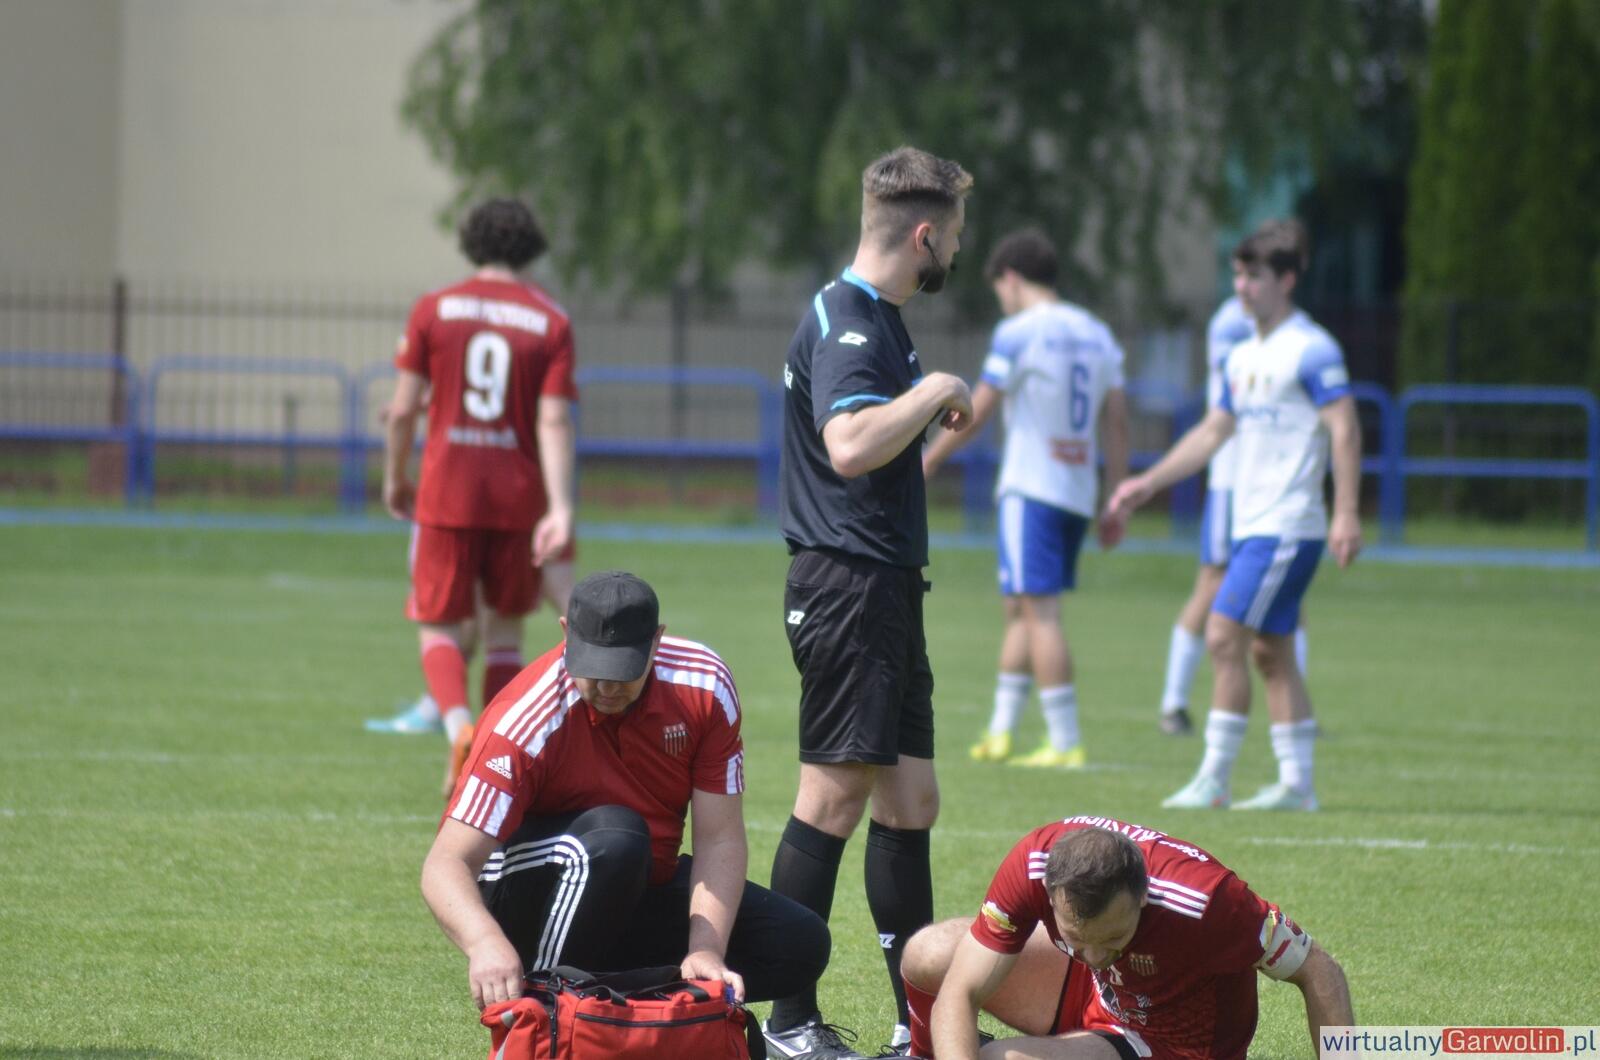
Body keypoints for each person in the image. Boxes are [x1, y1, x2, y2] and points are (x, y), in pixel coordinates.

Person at [769, 145, 976, 1059]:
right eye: (955, 236)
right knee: (831, 800)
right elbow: (849, 445)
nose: (957, 251)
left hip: (885, 586)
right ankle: (788, 1022)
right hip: (848, 588)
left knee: (910, 800)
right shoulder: (849, 320)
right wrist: (935, 390)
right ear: (924, 235)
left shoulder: (879, 318)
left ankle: (916, 1027)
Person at [421, 570, 831, 1016]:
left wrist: (706, 949)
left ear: (656, 641)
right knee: (618, 839)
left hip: (637, 883)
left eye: (623, 671)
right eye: (593, 670)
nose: (607, 688)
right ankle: (547, 1009)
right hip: (530, 894)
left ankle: (629, 1015)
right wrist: (485, 942)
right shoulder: (525, 719)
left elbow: (719, 838)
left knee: (797, 943)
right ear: (566, 633)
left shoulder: (705, 687)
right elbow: (447, 863)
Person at [1105, 219, 1361, 812]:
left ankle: (1214, 779)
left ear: (1287, 280)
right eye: (1238, 276)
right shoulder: (1243, 354)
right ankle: (1297, 786)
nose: (1242, 287)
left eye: (1255, 277)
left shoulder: (1312, 348)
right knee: (1271, 651)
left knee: (1223, 636)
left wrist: (1346, 511)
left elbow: (1345, 428)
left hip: (1286, 523)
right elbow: (1213, 431)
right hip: (1254, 523)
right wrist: (1148, 481)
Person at [380, 198, 578, 794]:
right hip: (517, 498)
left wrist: (394, 478)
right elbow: (553, 420)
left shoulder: (434, 308)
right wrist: (560, 506)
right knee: (504, 634)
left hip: (446, 492)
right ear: (531, 247)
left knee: (438, 626)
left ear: (471, 242)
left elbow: (402, 410)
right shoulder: (550, 321)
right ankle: (491, 747)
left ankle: (458, 728)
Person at [922, 228, 1130, 769]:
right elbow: (1116, 419)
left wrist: (931, 459)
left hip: (1032, 489)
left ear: (1010, 278)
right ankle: (1002, 731)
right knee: (1019, 608)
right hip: (1076, 492)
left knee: (1040, 614)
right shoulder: (1098, 333)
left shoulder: (1019, 333)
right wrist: (1118, 494)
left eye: (1000, 289)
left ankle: (1065, 741)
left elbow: (978, 408)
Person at [899, 817, 1354, 1059]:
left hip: (1169, 1043)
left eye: (1115, 936)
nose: (1095, 955)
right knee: (928, 952)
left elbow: (1319, 969)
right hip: (1091, 993)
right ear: (1051, 897)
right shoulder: (1034, 863)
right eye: (1075, 936)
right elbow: (961, 990)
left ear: (1143, 897)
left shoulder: (1206, 902)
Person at [1155, 296, 1306, 737]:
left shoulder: (1299, 328)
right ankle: (1174, 702)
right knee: (1213, 583)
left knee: (1289, 597)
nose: (1247, 284)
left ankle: (1293, 712)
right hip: (1233, 477)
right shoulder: (1232, 322)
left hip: (1275, 481)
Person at [365, 556, 576, 735]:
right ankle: (501, 733)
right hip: (515, 521)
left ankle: (460, 732)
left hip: (449, 520)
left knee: (438, 626)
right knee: (503, 633)